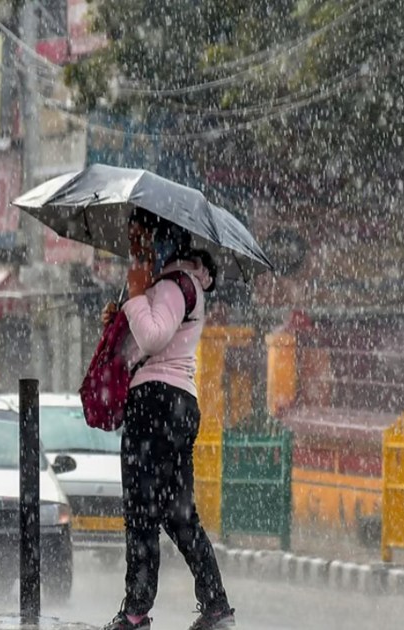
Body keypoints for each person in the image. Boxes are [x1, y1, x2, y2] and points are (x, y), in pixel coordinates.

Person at [102, 210, 235, 630]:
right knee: (178, 514)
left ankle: (136, 611)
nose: (134, 247)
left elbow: (157, 335)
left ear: (161, 238)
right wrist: (121, 320)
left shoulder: (177, 284)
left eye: (139, 238)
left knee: (142, 509)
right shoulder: (173, 283)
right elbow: (142, 345)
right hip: (170, 404)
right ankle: (216, 608)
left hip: (158, 405)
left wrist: (138, 297)